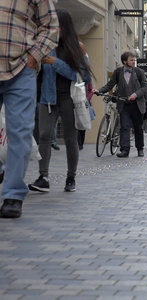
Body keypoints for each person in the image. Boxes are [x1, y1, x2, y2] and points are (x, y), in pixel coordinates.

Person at [0, 0, 59, 218]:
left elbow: (51, 26)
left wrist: (34, 56)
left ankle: (13, 195)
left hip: (21, 67)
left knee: (21, 133)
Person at [28, 8, 93, 194]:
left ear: (64, 26)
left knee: (71, 139)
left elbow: (84, 77)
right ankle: (43, 178)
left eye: (56, 25)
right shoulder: (45, 45)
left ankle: (71, 177)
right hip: (47, 98)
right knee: (44, 136)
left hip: (69, 98)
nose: (52, 29)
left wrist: (55, 63)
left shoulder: (77, 47)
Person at [93, 51, 147, 158]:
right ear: (124, 61)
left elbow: (146, 87)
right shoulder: (118, 72)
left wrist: (135, 94)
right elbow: (110, 85)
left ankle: (140, 148)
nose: (133, 62)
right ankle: (125, 150)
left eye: (134, 60)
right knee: (124, 126)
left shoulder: (139, 72)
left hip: (137, 104)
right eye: (131, 60)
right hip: (123, 104)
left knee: (138, 127)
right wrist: (99, 90)